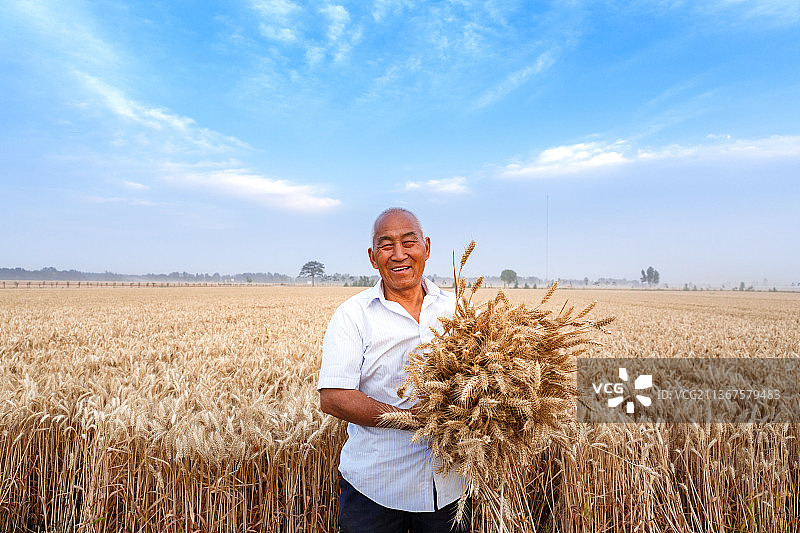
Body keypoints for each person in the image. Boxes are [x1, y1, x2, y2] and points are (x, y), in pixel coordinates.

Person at [318, 208, 470, 533]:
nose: (399, 254)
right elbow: (333, 398)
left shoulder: (459, 310)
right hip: (376, 492)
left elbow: (487, 373)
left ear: (426, 247)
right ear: (373, 257)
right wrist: (408, 419)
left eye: (408, 242)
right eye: (386, 245)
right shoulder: (353, 315)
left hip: (448, 490)